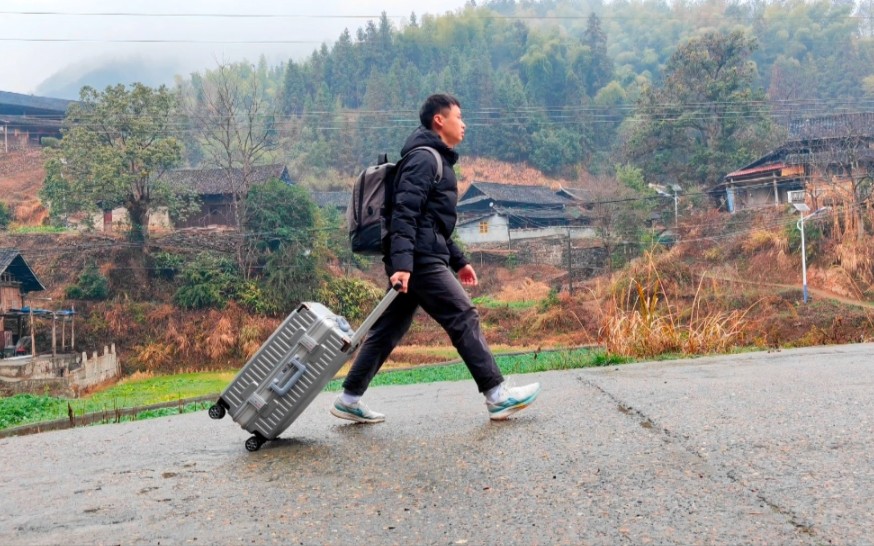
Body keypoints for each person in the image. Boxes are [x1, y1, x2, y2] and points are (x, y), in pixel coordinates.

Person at [331, 93, 541, 423]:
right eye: (459, 117)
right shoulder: (425, 159)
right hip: (418, 259)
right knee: (462, 314)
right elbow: (404, 213)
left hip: (418, 255)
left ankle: (349, 397)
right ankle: (497, 395)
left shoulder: (434, 160)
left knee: (388, 330)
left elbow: (433, 223)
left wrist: (458, 260)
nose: (464, 124)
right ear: (439, 120)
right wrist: (402, 265)